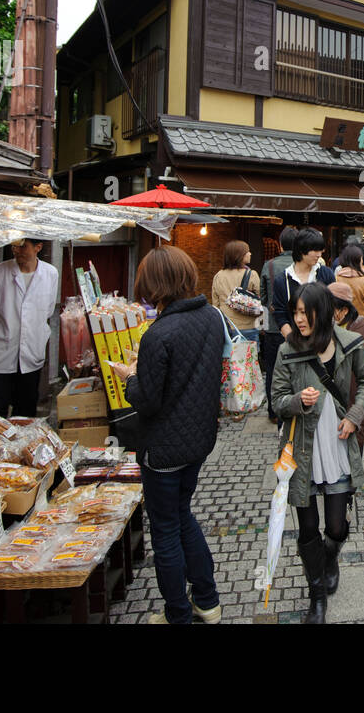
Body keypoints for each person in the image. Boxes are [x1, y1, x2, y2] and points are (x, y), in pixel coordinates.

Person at [107, 246, 222, 625]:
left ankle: (178, 614)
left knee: (166, 528)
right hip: (199, 440)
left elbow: (148, 401)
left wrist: (129, 378)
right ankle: (207, 600)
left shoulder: (160, 333)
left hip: (164, 450)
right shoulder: (210, 317)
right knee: (182, 514)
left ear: (156, 285)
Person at [271, 283, 364, 624]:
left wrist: (354, 416)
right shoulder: (287, 349)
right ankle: (316, 595)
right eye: (296, 312)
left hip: (338, 444)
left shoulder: (349, 342)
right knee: (307, 529)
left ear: (324, 312)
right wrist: (296, 401)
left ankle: (330, 556)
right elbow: (276, 401)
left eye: (306, 312)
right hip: (302, 449)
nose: (299, 319)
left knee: (336, 527)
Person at [0, 237, 59, 418]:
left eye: (23, 246)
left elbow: (48, 311)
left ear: (38, 247)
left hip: (31, 354)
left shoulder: (50, 274)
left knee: (25, 412)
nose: (17, 250)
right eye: (14, 246)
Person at [269, 228, 335, 390]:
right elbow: (279, 313)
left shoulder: (325, 274)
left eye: (321, 249)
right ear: (301, 251)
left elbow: (333, 307)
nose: (319, 254)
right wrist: (292, 339)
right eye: (314, 250)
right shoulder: (282, 280)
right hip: (295, 345)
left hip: (323, 344)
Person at [328, 281, 364, 433]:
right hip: (332, 398)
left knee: (355, 441)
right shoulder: (324, 328)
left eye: (330, 307)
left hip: (356, 394)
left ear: (344, 310)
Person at [259, 227, 297, 422]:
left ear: (280, 245)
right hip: (299, 327)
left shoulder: (269, 266)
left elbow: (263, 298)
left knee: (273, 370)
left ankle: (274, 412)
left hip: (274, 328)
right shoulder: (302, 265)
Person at [210, 240, 260, 339]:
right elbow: (260, 300)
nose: (250, 254)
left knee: (229, 354)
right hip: (249, 326)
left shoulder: (219, 276)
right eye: (248, 251)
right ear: (240, 255)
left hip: (227, 327)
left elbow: (215, 305)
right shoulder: (252, 275)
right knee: (249, 354)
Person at [332, 245, 364, 323]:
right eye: (361, 258)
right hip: (362, 325)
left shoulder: (335, 279)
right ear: (358, 261)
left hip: (341, 325)